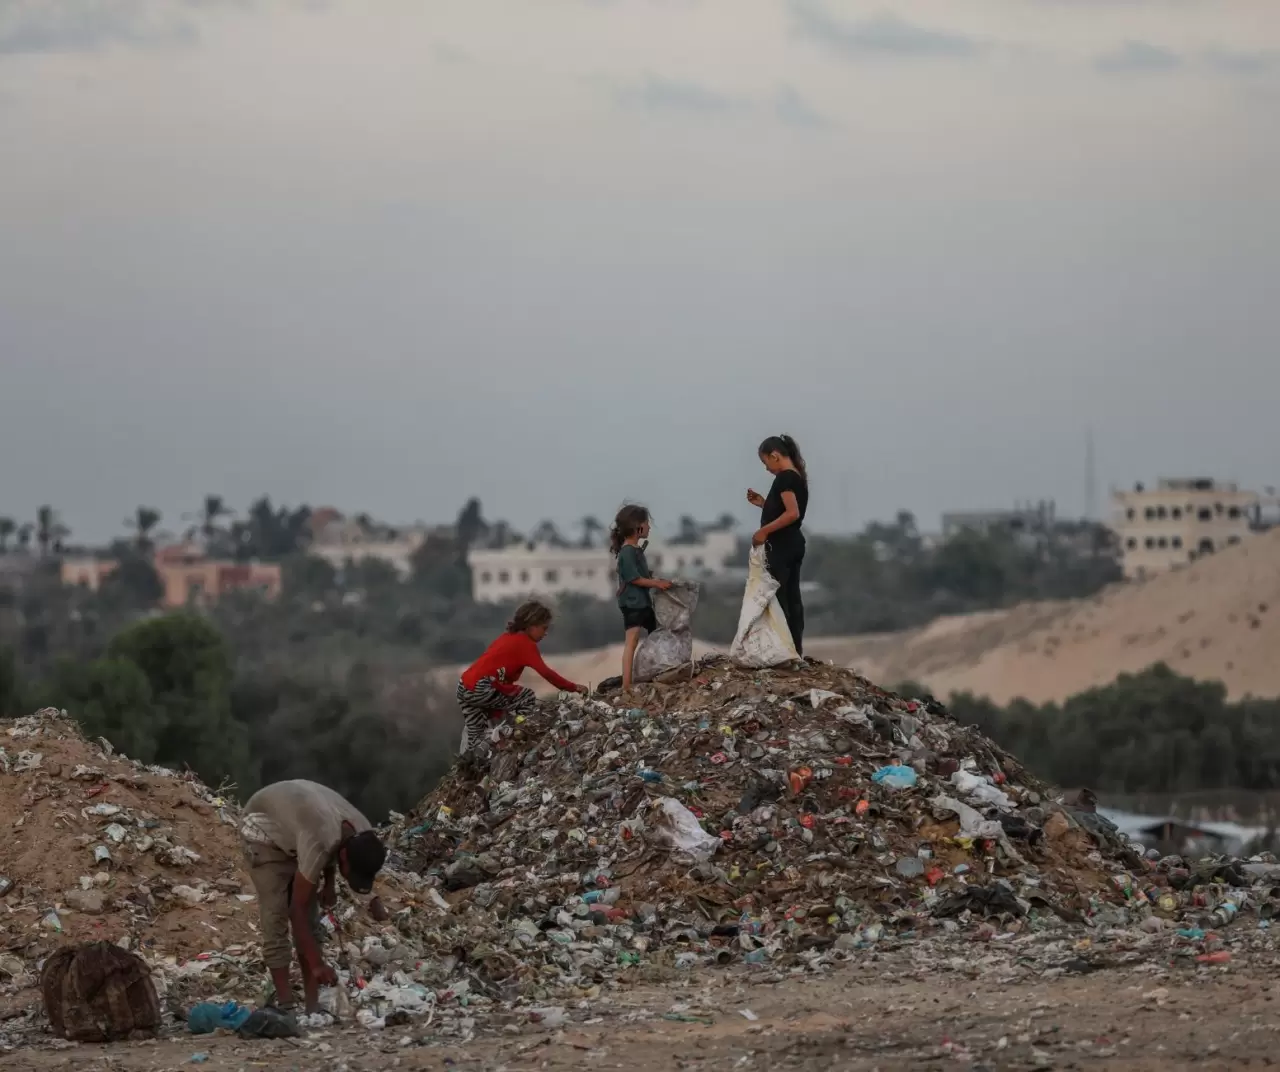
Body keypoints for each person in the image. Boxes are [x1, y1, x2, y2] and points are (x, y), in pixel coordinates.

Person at [239, 779, 388, 1014]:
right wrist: (317, 965)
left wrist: (329, 884)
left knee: (311, 920)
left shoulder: (363, 832)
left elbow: (335, 847)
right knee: (276, 915)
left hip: (300, 828)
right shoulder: (319, 838)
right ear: (345, 859)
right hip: (262, 831)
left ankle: (312, 1006)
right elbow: (295, 911)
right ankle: (286, 1007)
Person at [456, 600, 587, 758]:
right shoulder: (525, 644)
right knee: (526, 697)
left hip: (464, 687)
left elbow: (501, 680)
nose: (545, 633)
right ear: (532, 625)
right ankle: (514, 733)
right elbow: (546, 673)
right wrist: (572, 687)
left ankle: (472, 764)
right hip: (482, 687)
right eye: (544, 628)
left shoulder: (506, 638)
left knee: (475, 738)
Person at [747, 433, 809, 656]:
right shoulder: (797, 477)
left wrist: (763, 531)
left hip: (783, 547)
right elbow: (783, 511)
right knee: (791, 597)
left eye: (766, 462)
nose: (766, 469)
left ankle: (784, 649)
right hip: (792, 544)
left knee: (780, 600)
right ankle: (794, 649)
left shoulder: (785, 478)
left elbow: (792, 514)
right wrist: (764, 504)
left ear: (774, 456)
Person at [610, 504, 673, 690]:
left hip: (642, 602)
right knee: (632, 641)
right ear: (637, 526)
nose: (649, 527)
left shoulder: (635, 550)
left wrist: (654, 580)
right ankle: (627, 687)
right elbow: (634, 578)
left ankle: (657, 671)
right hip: (633, 603)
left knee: (657, 635)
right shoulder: (628, 551)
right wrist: (657, 584)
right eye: (646, 523)